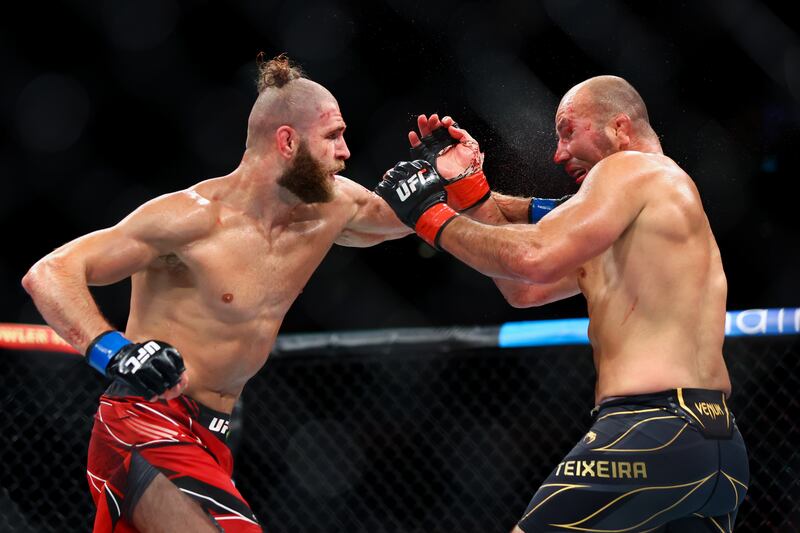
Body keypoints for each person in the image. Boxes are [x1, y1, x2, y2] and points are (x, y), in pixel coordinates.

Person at [21, 54, 412, 532]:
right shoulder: (190, 220)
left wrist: (460, 182)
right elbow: (50, 272)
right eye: (333, 135)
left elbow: (414, 217)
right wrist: (114, 352)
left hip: (213, 435)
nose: (346, 151)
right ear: (287, 141)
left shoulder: (332, 208)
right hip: (146, 420)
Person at [377, 76, 749, 532]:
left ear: (619, 127)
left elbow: (532, 255)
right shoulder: (649, 209)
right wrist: (469, 191)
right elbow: (524, 288)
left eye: (568, 131)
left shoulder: (631, 169)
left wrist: (426, 214)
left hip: (650, 430)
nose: (557, 152)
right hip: (717, 447)